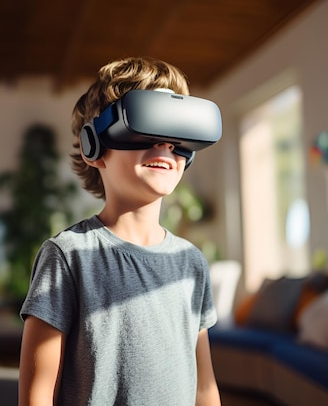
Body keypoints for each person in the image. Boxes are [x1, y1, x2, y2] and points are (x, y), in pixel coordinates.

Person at [18, 56, 221, 405]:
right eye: (149, 125)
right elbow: (38, 394)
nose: (166, 145)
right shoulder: (68, 256)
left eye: (177, 131)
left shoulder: (192, 263)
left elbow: (204, 387)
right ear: (93, 146)